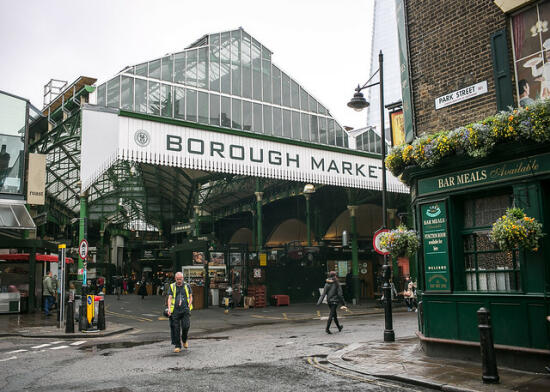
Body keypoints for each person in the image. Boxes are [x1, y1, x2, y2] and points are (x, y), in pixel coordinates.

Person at [167, 272, 193, 353]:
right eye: (177, 279)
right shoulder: (172, 286)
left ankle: (184, 339)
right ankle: (177, 345)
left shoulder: (187, 285)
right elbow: (170, 298)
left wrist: (189, 305)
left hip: (185, 310)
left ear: (183, 278)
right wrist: (169, 309)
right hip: (175, 311)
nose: (179, 280)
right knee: (176, 328)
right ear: (175, 279)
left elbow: (191, 296)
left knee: (186, 326)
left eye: (180, 279)